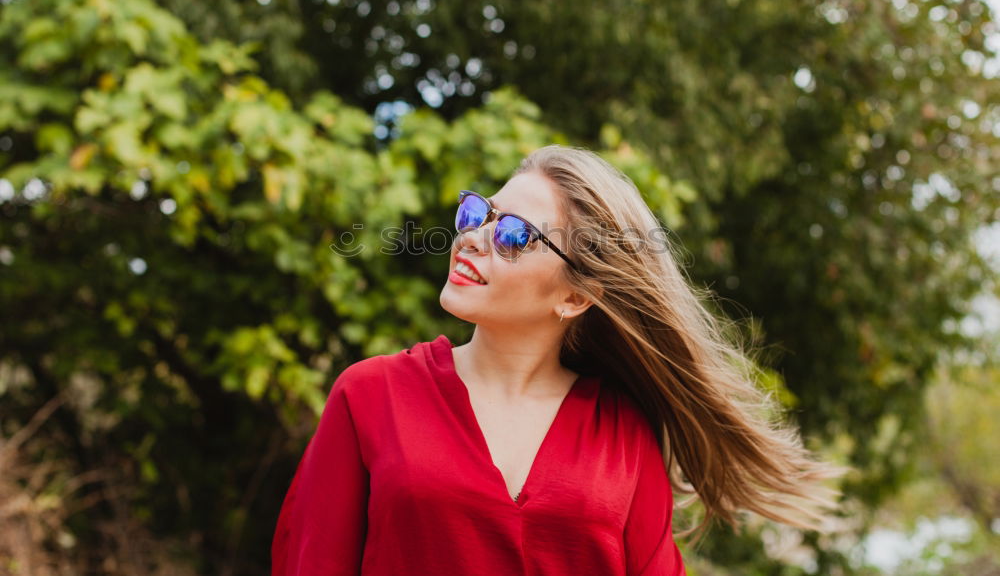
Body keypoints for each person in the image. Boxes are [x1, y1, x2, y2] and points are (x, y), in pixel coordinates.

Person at [271, 145, 846, 575]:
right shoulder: (370, 395)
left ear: (575, 296)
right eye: (478, 212)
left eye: (516, 235)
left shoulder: (622, 434)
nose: (473, 237)